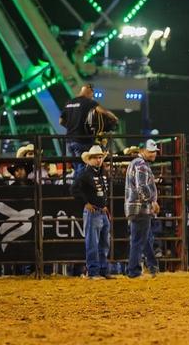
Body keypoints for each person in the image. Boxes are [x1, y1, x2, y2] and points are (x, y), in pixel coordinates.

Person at [70, 145, 112, 279]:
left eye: (100, 157)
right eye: (95, 158)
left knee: (104, 243)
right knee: (93, 243)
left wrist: (104, 205)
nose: (98, 160)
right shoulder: (85, 173)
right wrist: (86, 203)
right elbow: (74, 189)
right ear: (90, 159)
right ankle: (93, 272)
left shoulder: (100, 172)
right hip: (93, 212)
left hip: (101, 211)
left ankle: (103, 270)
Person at [60, 84, 118, 176]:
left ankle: (76, 187)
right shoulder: (88, 102)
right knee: (82, 168)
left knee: (77, 167)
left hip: (69, 141)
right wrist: (114, 118)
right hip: (82, 140)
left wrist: (72, 127)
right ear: (89, 92)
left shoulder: (69, 102)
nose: (92, 97)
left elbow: (61, 121)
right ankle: (81, 188)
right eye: (92, 95)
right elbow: (103, 111)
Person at [125, 139, 160, 278]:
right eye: (150, 151)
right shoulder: (142, 165)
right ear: (142, 151)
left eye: (154, 152)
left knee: (141, 239)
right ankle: (134, 271)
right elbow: (142, 187)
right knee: (139, 240)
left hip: (135, 207)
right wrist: (152, 201)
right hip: (141, 208)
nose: (153, 154)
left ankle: (152, 266)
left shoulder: (136, 163)